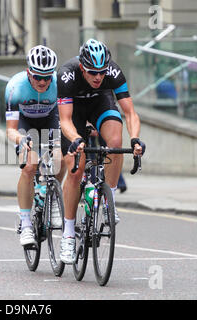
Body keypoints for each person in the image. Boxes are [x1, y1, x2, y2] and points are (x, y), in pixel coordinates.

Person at [57, 39, 146, 264]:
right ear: (81, 67)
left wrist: (135, 138)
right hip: (74, 113)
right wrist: (76, 138)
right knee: (75, 170)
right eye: (92, 72)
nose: (98, 77)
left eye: (101, 72)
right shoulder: (67, 75)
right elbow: (65, 120)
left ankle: (109, 202)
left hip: (100, 105)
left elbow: (130, 113)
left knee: (115, 143)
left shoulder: (113, 72)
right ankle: (67, 234)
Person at [5, 45, 65, 247]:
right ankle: (26, 223)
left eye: (47, 77)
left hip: (50, 119)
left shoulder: (59, 84)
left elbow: (67, 116)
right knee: (30, 165)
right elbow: (10, 129)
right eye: (38, 76)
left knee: (60, 157)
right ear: (28, 72)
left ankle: (54, 199)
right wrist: (21, 140)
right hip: (25, 123)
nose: (42, 82)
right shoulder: (15, 87)